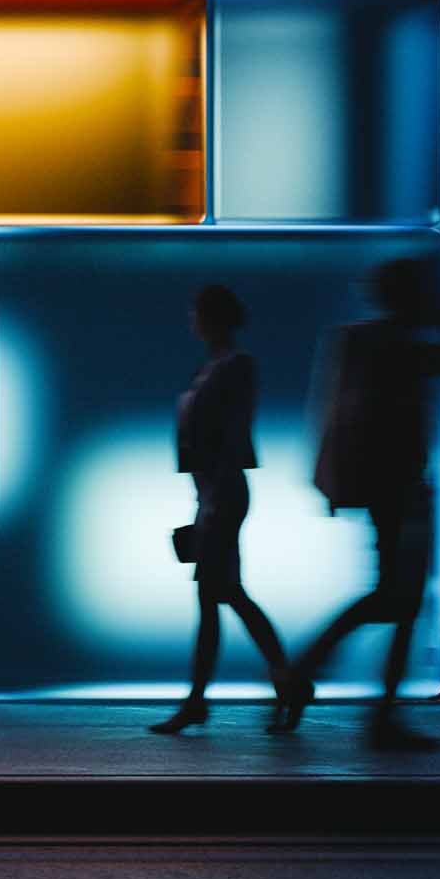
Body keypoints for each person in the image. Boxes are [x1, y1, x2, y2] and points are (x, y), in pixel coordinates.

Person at [281, 257, 440, 750]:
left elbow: (330, 415)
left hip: (379, 486)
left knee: (393, 597)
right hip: (400, 487)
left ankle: (310, 673)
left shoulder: (361, 341)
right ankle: (361, 704)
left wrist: (333, 480)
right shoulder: (403, 348)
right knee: (401, 599)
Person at [151, 285, 290, 735]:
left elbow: (232, 433)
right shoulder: (212, 366)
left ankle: (204, 699)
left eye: (196, 312)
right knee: (224, 596)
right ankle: (283, 682)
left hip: (223, 492)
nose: (190, 319)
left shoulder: (234, 366)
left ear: (211, 318)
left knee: (221, 596)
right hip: (212, 492)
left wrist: (211, 501)